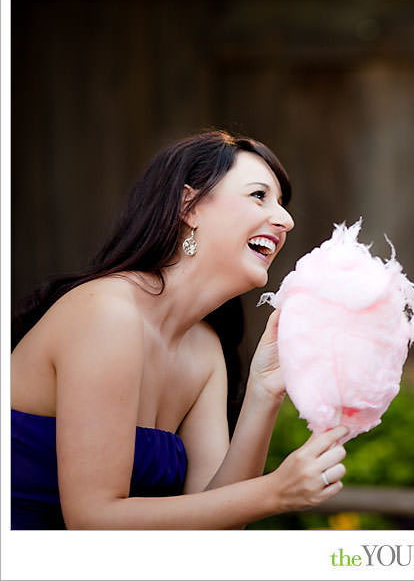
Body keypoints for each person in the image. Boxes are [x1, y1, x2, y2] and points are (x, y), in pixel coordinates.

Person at [11, 130, 348, 529]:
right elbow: (93, 521)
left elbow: (214, 525)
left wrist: (264, 389)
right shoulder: (107, 312)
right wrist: (273, 492)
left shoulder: (204, 348)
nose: (286, 220)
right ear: (190, 206)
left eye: (281, 204)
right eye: (259, 196)